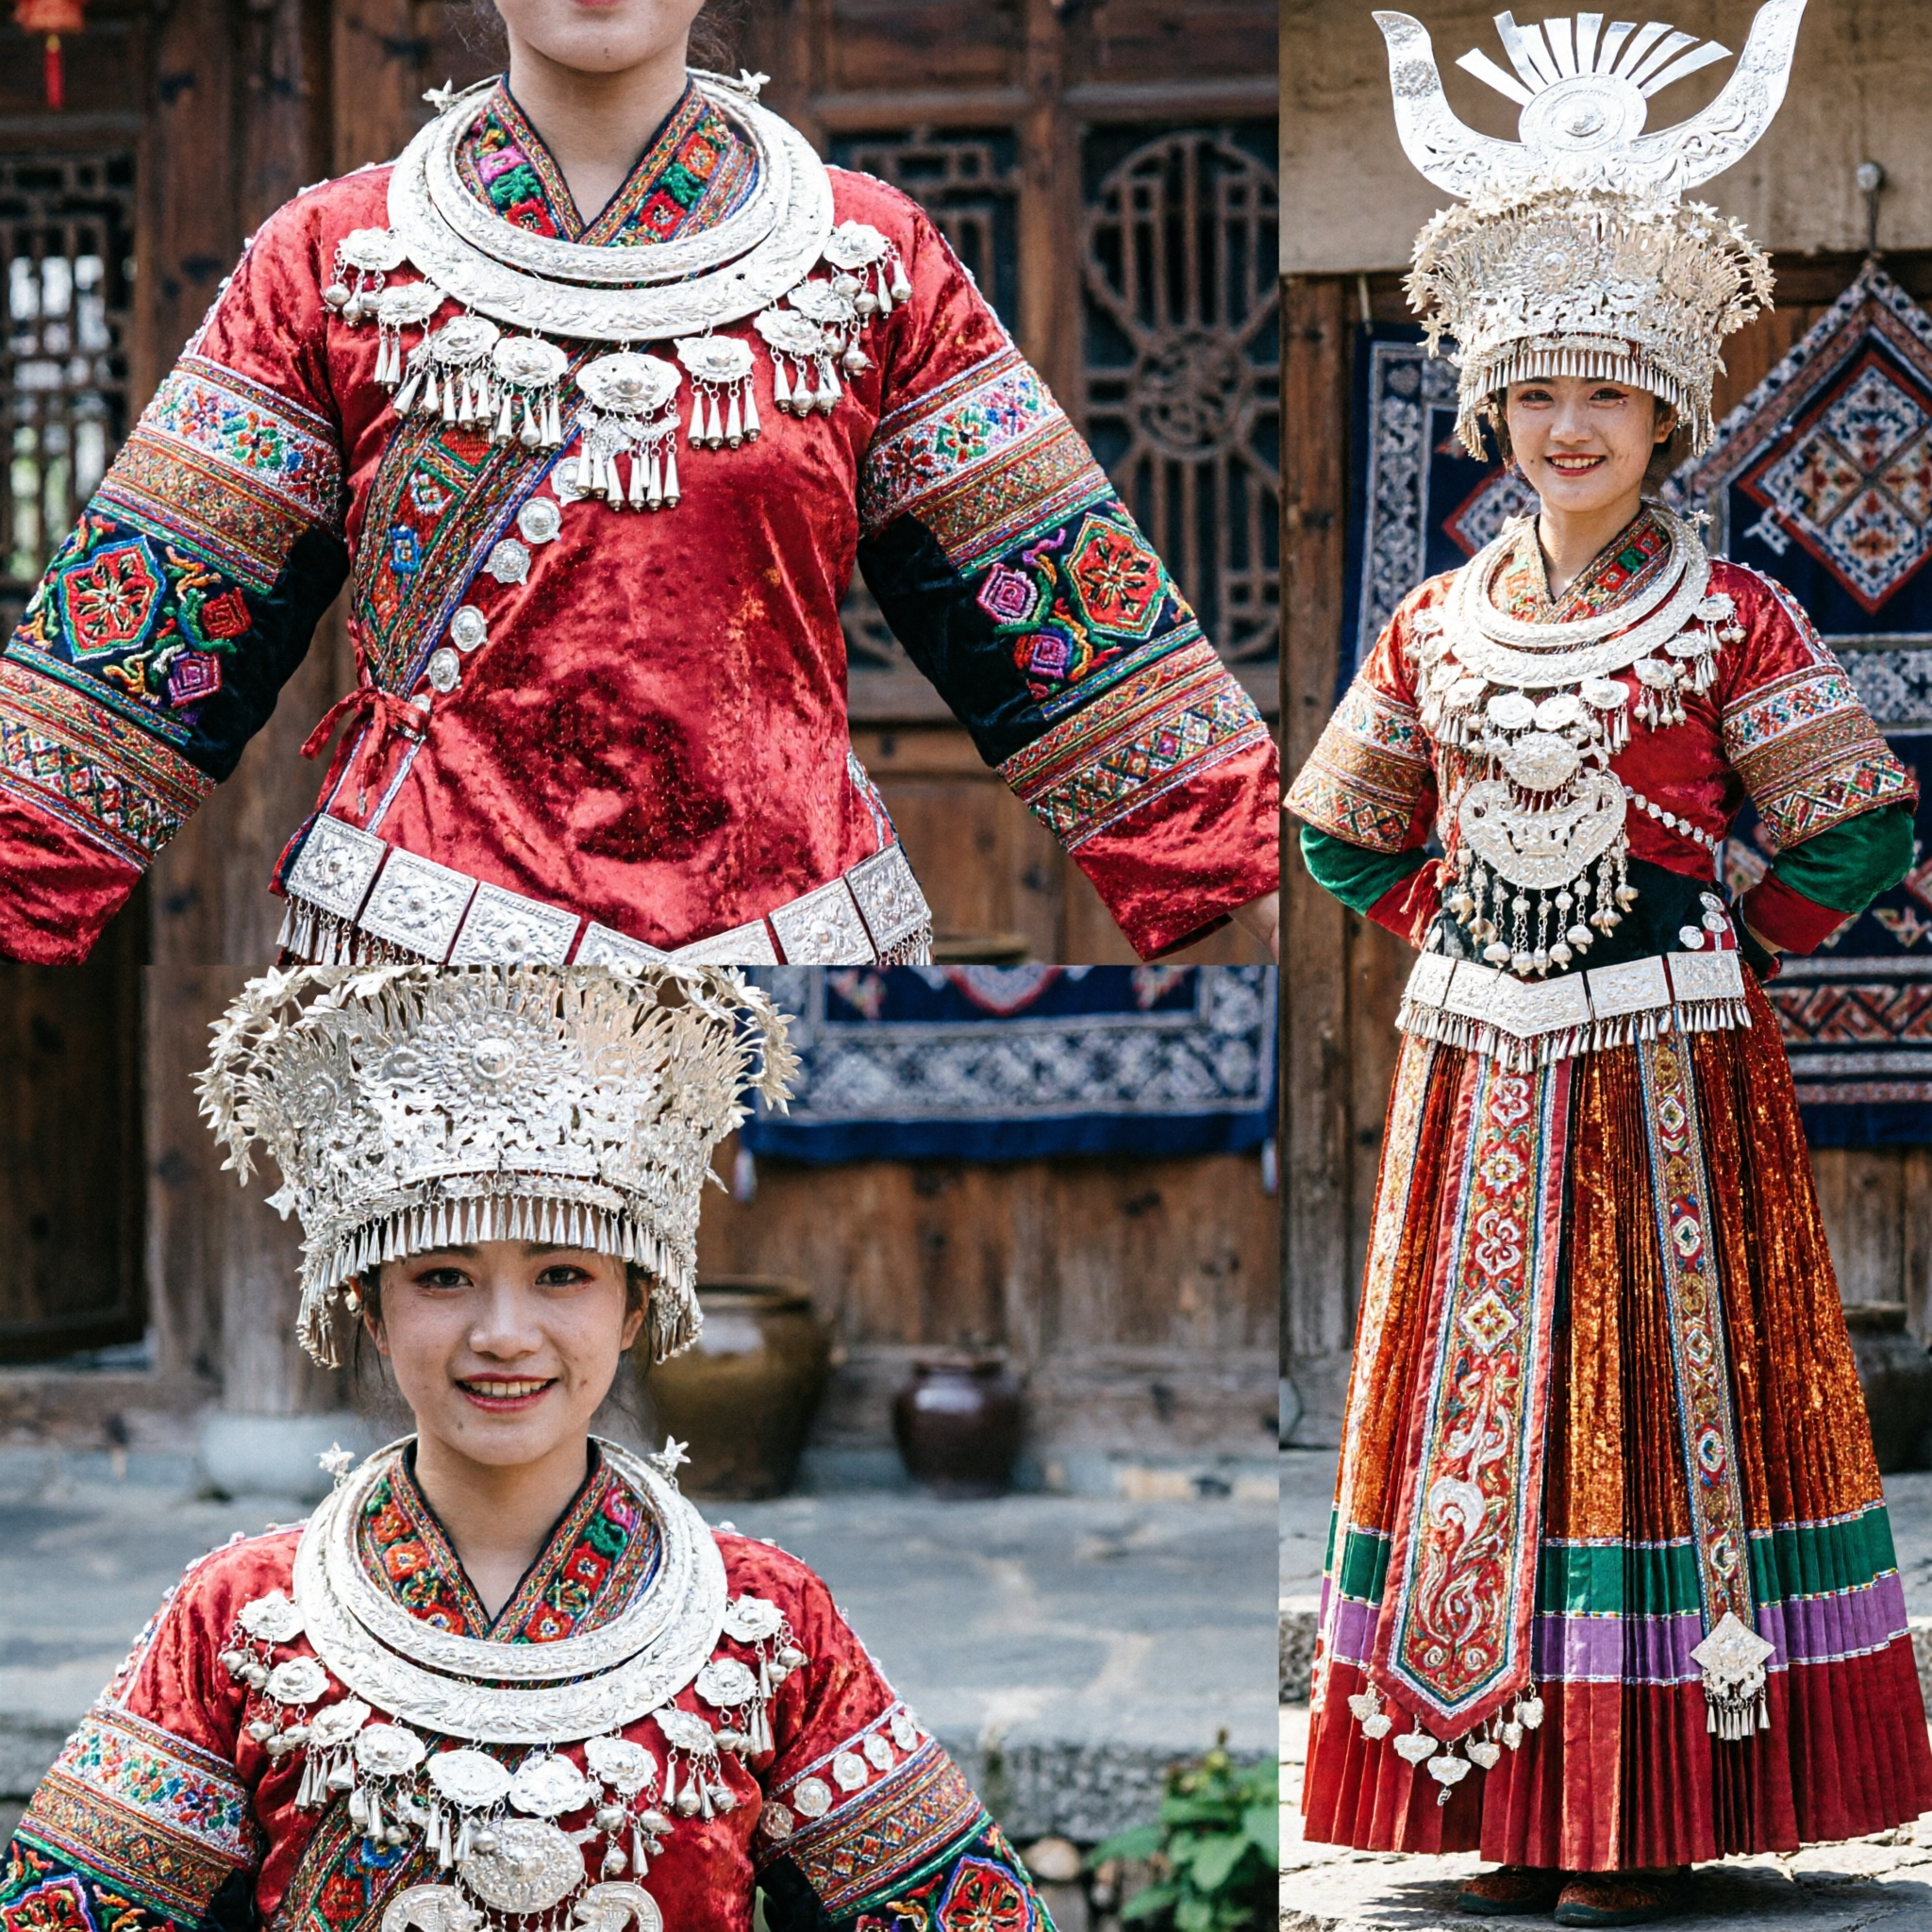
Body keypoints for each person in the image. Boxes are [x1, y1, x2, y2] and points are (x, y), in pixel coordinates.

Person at [1285, 7, 1932, 1924]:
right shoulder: (1429, 626)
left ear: (1664, 417)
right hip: (1478, 1075)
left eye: (1607, 397)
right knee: (1487, 1406)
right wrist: (1457, 930)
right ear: (1493, 411)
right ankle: (1496, 1799)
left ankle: (1643, 1813)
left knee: (1652, 1405)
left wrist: (1719, 934)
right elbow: (1338, 827)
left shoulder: (1724, 614)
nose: (1570, 428)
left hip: (1670, 1084)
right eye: (1539, 394)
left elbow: (1865, 826)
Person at [0, 0, 1279, 970]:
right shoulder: (332, 260)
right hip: (423, 946)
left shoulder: (868, 257)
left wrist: (1226, 838)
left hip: (793, 948)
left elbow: (1056, 589)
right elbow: (154, 608)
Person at [0, 965, 1056, 1932]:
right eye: (443, 1276)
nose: (504, 1332)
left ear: (636, 1304)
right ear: (369, 1308)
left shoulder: (767, 1622)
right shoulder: (237, 1618)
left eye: (561, 1273)